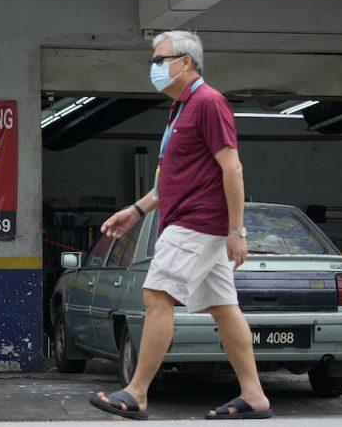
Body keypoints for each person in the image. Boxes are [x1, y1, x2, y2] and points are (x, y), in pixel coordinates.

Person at [89, 30, 271, 421]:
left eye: (159, 59)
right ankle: (254, 395)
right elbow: (170, 180)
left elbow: (232, 168)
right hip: (194, 223)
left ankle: (136, 392)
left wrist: (236, 232)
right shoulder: (180, 109)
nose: (154, 67)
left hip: (195, 225)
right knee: (224, 309)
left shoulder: (208, 102)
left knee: (156, 297)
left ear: (185, 62)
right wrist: (136, 211)